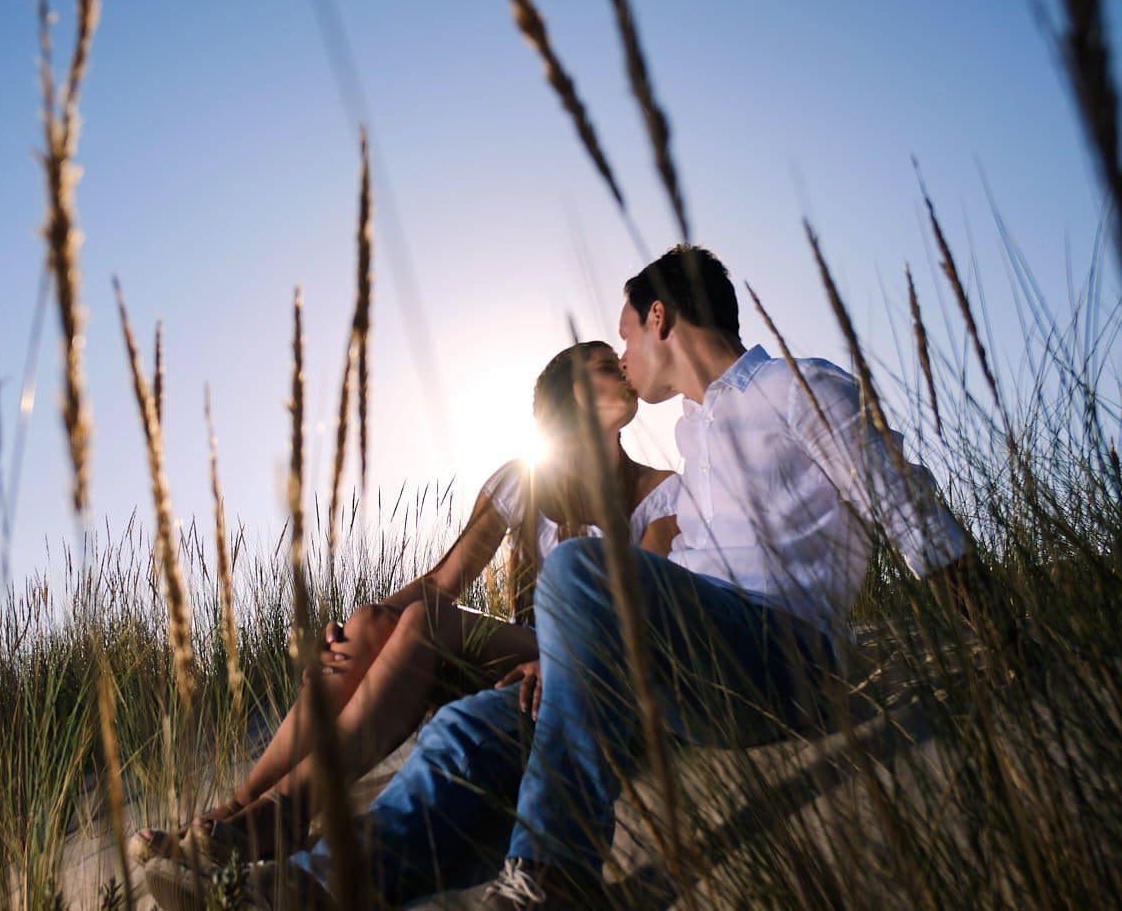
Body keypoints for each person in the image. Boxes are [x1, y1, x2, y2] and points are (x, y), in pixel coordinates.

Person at [193, 244, 974, 910]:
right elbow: (652, 585)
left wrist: (1001, 633)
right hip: (686, 673)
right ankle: (309, 884)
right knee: (470, 732)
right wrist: (567, 649)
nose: (625, 354)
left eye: (626, 332)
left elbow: (910, 509)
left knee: (576, 567)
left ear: (660, 316)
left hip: (786, 658)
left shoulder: (798, 389)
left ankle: (551, 870)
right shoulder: (695, 438)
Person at [131, 341, 680, 868]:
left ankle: (283, 814)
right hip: (511, 663)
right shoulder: (525, 481)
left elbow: (643, 613)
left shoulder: (659, 493)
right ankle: (235, 808)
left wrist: (559, 657)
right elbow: (445, 581)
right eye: (607, 365)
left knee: (424, 618)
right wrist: (356, 626)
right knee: (375, 621)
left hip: (584, 665)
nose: (625, 372)